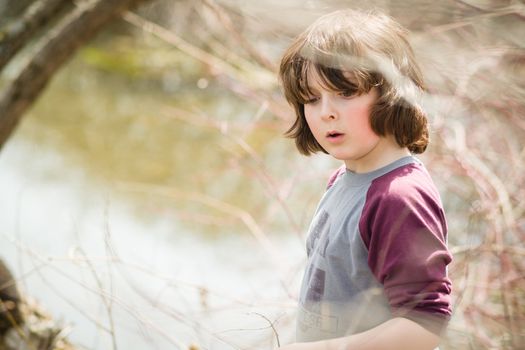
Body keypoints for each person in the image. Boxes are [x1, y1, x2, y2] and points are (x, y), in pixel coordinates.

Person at [277, 8, 452, 350]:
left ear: (391, 94)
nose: (326, 111)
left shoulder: (398, 196)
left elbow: (425, 324)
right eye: (311, 99)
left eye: (345, 93)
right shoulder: (343, 179)